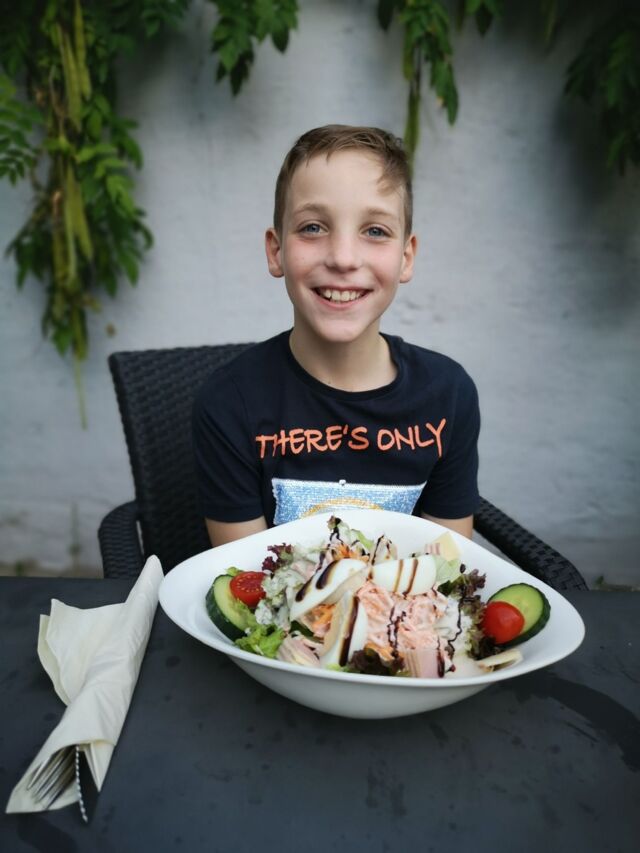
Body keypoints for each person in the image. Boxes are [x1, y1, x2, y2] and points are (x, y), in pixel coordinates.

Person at [193, 125, 480, 547]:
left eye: (375, 231)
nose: (344, 258)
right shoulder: (228, 403)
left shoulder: (448, 395)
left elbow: (448, 564)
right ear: (276, 251)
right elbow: (245, 576)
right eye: (313, 227)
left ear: (406, 257)